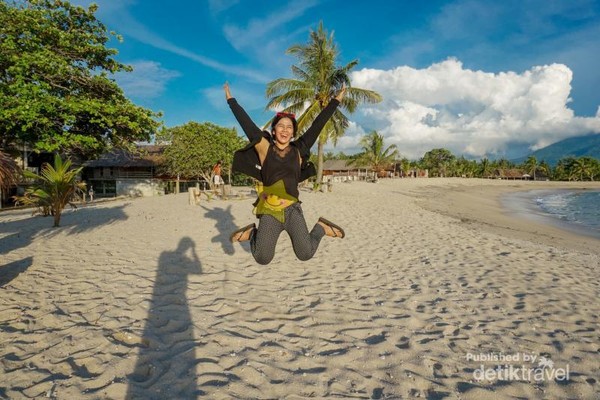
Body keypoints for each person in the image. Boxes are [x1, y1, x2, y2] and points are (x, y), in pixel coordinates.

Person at [225, 82, 346, 265]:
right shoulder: (264, 148)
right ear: (274, 131)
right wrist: (231, 100)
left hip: (292, 209)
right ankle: (251, 233)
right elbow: (247, 125)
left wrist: (335, 101)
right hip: (270, 210)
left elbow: (318, 124)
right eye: (281, 126)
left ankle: (321, 227)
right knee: (262, 257)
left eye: (289, 127)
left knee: (305, 253)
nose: (285, 130)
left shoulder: (299, 150)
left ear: (293, 133)